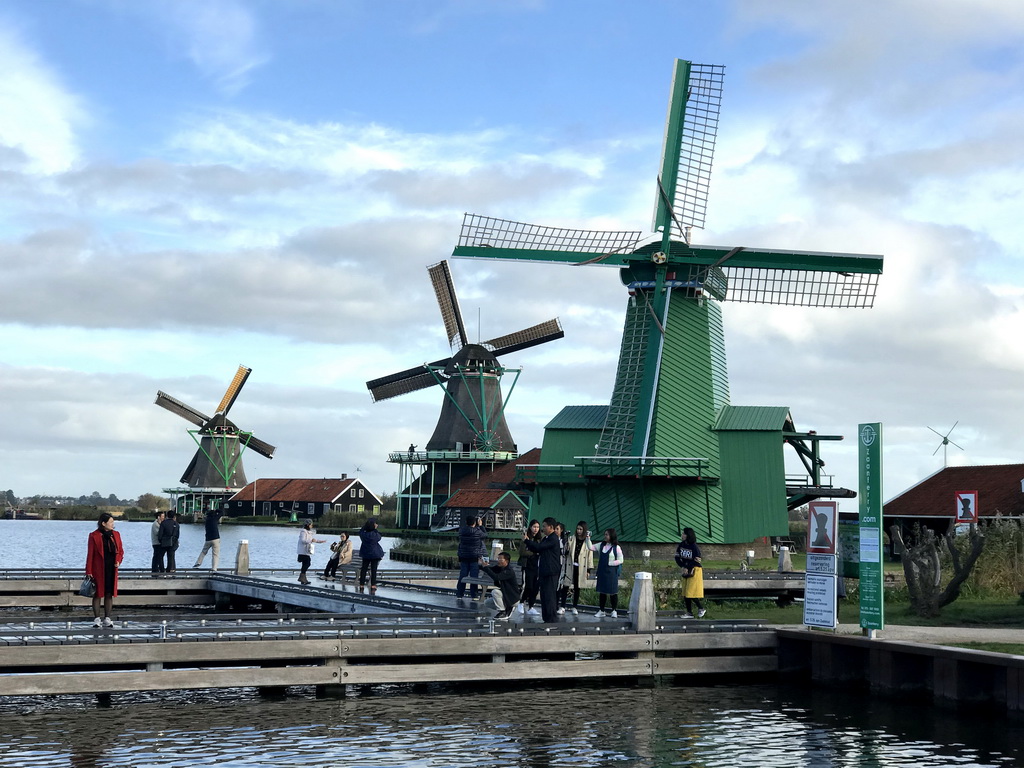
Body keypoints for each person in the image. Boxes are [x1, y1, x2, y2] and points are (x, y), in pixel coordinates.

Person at [86, 512, 124, 628]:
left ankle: (107, 618)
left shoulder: (116, 535)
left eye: (113, 522)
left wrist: (118, 561)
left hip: (111, 567)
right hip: (98, 568)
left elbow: (121, 551)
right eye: (111, 522)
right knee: (97, 594)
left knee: (109, 593)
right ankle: (97, 618)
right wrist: (89, 571)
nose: (113, 524)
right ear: (103, 523)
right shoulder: (94, 535)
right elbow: (90, 554)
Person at [522, 517, 561, 622]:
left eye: (544, 526)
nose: (542, 529)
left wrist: (527, 541)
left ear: (551, 527)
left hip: (551, 572)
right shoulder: (546, 538)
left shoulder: (553, 538)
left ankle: (552, 620)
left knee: (550, 596)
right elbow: (536, 548)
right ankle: (546, 619)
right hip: (544, 571)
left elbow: (539, 548)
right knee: (544, 596)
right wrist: (528, 542)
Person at [591, 527, 624, 618]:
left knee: (613, 592)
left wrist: (611, 563)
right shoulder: (601, 545)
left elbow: (621, 560)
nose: (605, 536)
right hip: (602, 572)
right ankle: (601, 610)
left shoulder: (616, 547)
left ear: (611, 536)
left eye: (607, 534)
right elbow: (590, 547)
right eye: (605, 534)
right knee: (602, 591)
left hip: (611, 572)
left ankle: (614, 610)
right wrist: (587, 538)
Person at [562, 521, 594, 616]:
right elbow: (566, 551)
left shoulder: (587, 542)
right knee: (565, 585)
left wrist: (589, 569)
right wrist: (566, 549)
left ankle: (575, 606)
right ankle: (562, 606)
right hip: (570, 565)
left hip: (580, 567)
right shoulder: (572, 539)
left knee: (577, 587)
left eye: (581, 529)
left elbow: (590, 556)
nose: (579, 531)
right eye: (578, 529)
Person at [479, 551, 520, 621]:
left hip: (512, 598)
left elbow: (496, 577)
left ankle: (503, 611)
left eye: (500, 559)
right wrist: (482, 565)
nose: (498, 561)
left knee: (495, 592)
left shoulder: (508, 571)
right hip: (505, 596)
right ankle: (506, 608)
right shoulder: (500, 568)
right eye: (498, 559)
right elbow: (490, 569)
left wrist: (486, 568)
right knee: (487, 603)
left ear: (506, 561)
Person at [675, 527, 706, 618]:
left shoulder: (694, 547)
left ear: (688, 535)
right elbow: (677, 557)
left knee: (690, 592)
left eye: (684, 534)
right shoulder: (681, 545)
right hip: (685, 569)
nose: (682, 535)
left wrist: (688, 567)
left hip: (694, 570)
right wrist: (682, 566)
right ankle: (689, 613)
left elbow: (697, 560)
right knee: (685, 592)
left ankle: (701, 608)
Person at [455, 515, 487, 599]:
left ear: (466, 522)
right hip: (474, 557)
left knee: (463, 575)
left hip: (464, 556)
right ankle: (474, 595)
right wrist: (480, 526)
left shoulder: (462, 531)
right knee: (474, 577)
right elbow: (485, 535)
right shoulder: (477, 531)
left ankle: (459, 594)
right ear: (475, 522)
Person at [517, 519, 541, 615]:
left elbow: (541, 549)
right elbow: (522, 552)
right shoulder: (525, 538)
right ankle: (521, 602)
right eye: (534, 527)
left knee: (535, 587)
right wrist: (534, 552)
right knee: (528, 586)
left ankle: (531, 606)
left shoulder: (540, 539)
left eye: (537, 527)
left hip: (537, 566)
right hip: (527, 565)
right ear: (530, 527)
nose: (536, 529)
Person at [358, 517, 385, 590]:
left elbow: (360, 531)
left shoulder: (364, 535)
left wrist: (365, 527)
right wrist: (375, 529)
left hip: (365, 553)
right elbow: (379, 537)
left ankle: (361, 584)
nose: (376, 525)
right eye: (375, 524)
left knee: (364, 569)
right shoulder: (375, 534)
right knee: (374, 570)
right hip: (375, 554)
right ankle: (373, 584)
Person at [296, 519, 326, 584]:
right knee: (307, 563)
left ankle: (303, 579)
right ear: (308, 525)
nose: (312, 526)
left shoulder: (309, 532)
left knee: (305, 564)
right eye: (311, 524)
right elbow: (303, 540)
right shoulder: (303, 532)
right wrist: (311, 541)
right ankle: (302, 577)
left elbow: (312, 539)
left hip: (306, 551)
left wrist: (320, 541)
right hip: (303, 551)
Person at [150, 510, 165, 575]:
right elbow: (158, 533)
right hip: (156, 543)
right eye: (162, 516)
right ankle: (154, 569)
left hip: (159, 543)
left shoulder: (159, 523)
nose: (163, 518)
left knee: (158, 556)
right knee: (156, 556)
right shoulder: (155, 524)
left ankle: (156, 568)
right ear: (158, 517)